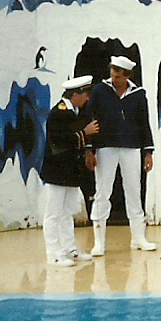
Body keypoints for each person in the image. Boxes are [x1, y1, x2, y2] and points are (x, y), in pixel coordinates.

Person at [85, 56, 157, 255]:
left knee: (134, 190)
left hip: (131, 147)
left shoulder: (139, 94)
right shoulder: (100, 90)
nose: (114, 79)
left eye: (118, 76)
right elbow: (90, 117)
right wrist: (89, 149)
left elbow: (144, 123)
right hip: (105, 146)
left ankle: (139, 238)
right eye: (112, 75)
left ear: (127, 75)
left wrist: (148, 152)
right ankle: (99, 241)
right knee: (102, 191)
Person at [41, 75, 100, 267]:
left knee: (67, 212)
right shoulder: (59, 112)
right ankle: (53, 253)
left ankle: (69, 248)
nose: (87, 98)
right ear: (75, 94)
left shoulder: (73, 112)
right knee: (53, 213)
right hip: (58, 170)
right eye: (85, 94)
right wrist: (85, 133)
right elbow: (59, 141)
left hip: (70, 171)